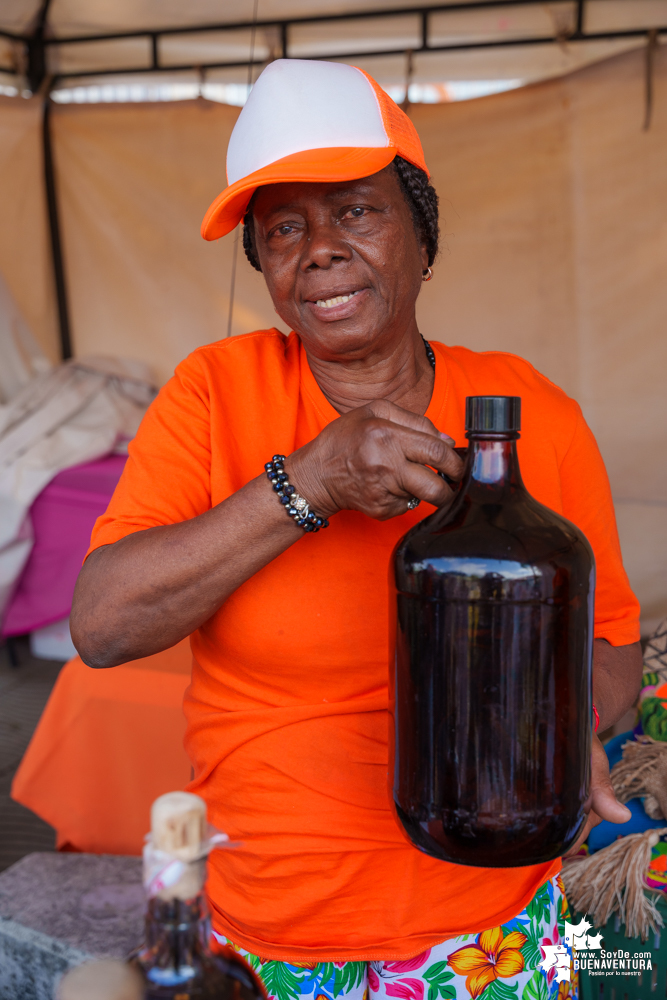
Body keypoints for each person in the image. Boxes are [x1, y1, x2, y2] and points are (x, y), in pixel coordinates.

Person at [71, 59, 642, 1000]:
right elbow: (102, 626)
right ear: (263, 264)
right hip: (274, 923)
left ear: (422, 235)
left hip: (494, 917)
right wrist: (310, 481)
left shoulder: (527, 412)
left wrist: (567, 717)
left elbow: (610, 641)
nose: (320, 250)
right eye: (284, 227)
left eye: (356, 211)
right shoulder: (214, 394)